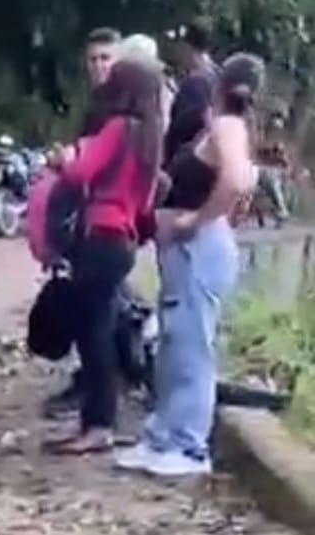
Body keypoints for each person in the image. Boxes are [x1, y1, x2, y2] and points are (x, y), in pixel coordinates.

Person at [115, 53, 260, 477]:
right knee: (175, 343)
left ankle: (188, 445)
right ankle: (164, 435)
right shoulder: (230, 127)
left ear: (219, 84)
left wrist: (197, 220)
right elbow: (244, 181)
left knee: (191, 347)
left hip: (198, 248)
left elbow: (236, 179)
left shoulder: (227, 126)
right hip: (188, 251)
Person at [43, 57, 163, 455]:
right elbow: (147, 201)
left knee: (93, 335)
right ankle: (96, 422)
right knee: (99, 330)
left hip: (100, 236)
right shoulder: (150, 139)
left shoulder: (118, 128)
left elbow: (81, 173)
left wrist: (62, 161)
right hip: (123, 240)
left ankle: (99, 425)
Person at [163, 19, 219, 165]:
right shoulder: (219, 76)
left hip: (188, 163)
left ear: (185, 46)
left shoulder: (194, 85)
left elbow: (181, 131)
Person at [254, 109, 292, 224]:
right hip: (264, 166)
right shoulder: (264, 133)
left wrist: (283, 161)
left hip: (275, 168)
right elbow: (259, 151)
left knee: (273, 183)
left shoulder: (280, 137)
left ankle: (282, 210)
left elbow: (284, 156)